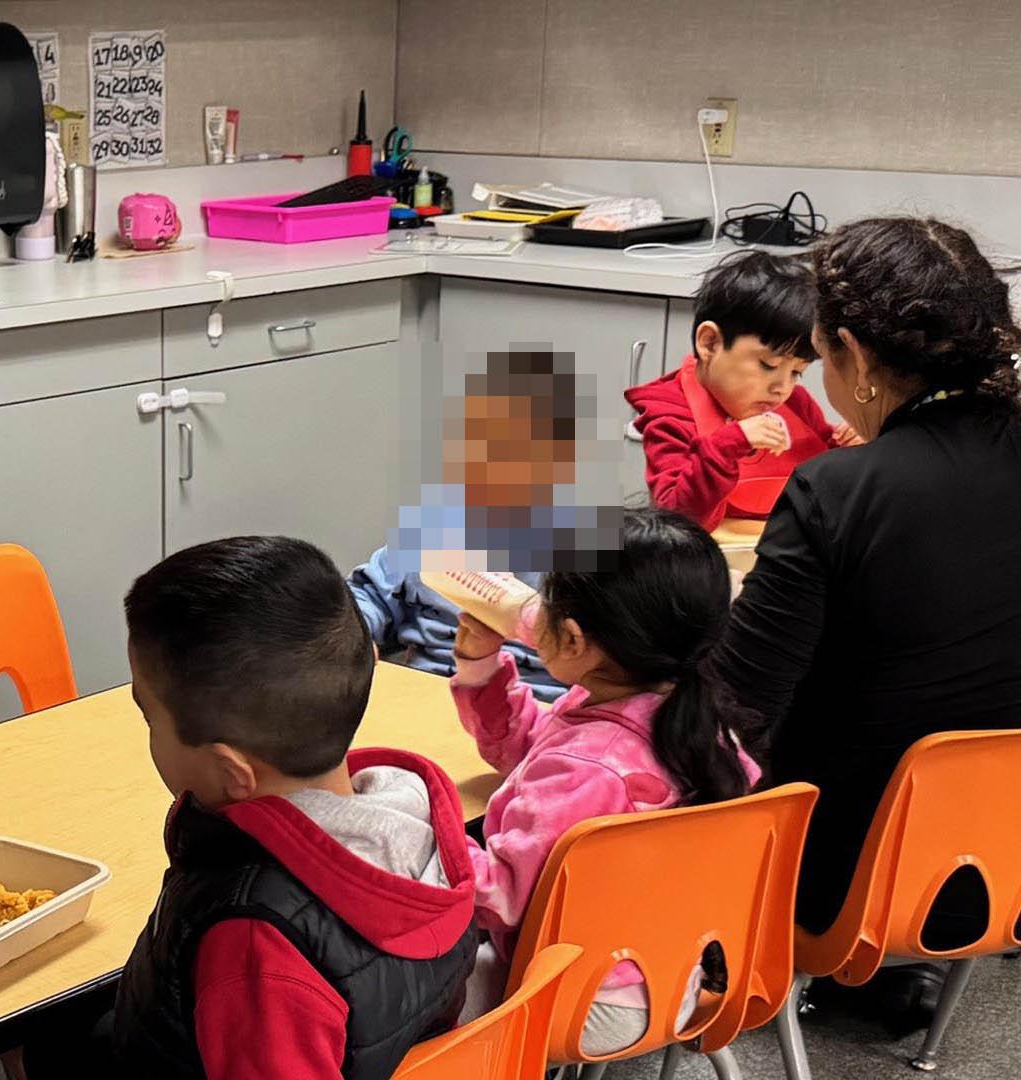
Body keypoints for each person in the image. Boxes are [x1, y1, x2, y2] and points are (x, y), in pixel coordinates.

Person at [713, 217, 1021, 1023]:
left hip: (848, 878)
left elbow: (733, 713)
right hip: (1003, 867)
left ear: (849, 351)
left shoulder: (839, 493)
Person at [29, 536, 476, 1080]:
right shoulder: (426, 828)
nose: (147, 732)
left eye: (149, 717)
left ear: (231, 773)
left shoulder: (253, 942)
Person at [451, 507, 760, 1054]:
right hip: (665, 970)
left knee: (394, 1001)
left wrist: (422, 838)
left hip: (585, 997)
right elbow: (532, 749)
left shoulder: (594, 767)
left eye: (542, 602)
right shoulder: (682, 715)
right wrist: (482, 666)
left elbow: (498, 897)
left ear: (571, 639)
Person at [350, 348, 596, 701]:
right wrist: (355, 641)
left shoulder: (589, 557)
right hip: (431, 692)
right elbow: (366, 597)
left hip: (539, 711)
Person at [625, 250, 859, 531]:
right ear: (709, 343)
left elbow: (819, 473)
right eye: (767, 365)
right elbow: (676, 520)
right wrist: (731, 442)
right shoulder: (672, 414)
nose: (782, 388)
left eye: (797, 372)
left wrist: (848, 449)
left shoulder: (793, 402)